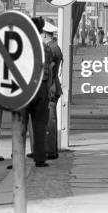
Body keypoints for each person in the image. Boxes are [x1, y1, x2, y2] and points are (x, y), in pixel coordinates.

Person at [21, 16, 52, 168]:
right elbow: (50, 70)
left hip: (25, 88)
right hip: (42, 87)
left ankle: (17, 159)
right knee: (40, 125)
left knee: (20, 125)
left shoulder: (23, 45)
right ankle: (40, 158)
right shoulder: (45, 47)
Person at [45, 28, 63, 160]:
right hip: (53, 86)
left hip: (51, 88)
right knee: (50, 119)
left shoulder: (51, 49)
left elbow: (47, 69)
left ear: (45, 34)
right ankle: (51, 149)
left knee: (50, 120)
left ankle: (50, 150)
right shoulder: (54, 47)